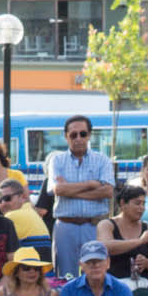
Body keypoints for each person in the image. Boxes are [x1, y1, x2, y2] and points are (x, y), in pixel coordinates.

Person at [45, 115, 117, 278]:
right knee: (65, 275)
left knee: (97, 273)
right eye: (73, 134)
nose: (78, 138)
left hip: (94, 227)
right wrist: (91, 184)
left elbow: (107, 192)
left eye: (83, 134)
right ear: (66, 136)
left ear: (89, 135)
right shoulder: (57, 161)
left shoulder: (102, 160)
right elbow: (57, 190)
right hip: (66, 226)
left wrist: (69, 188)